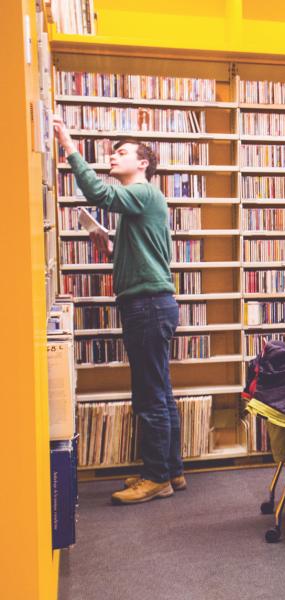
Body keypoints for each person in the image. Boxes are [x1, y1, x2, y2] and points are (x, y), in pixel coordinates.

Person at [53, 118, 184, 505]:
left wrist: (68, 145)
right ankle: (171, 470)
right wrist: (108, 246)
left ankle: (157, 476)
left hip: (147, 306)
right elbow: (144, 256)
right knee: (160, 391)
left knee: (149, 394)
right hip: (152, 304)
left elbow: (98, 193)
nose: (113, 155)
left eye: (122, 152)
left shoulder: (142, 192)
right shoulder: (141, 203)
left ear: (143, 164)